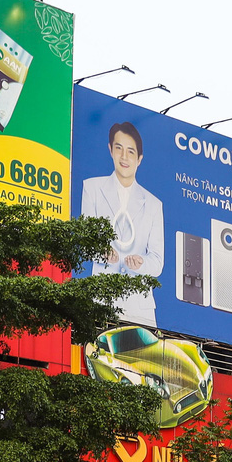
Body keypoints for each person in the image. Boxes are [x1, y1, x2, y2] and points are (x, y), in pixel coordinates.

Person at [79, 121, 165, 325]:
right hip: (102, 301)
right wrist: (102, 252)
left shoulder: (153, 204)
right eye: (119, 149)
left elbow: (157, 261)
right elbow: (85, 243)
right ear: (110, 150)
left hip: (139, 308)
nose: (124, 157)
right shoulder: (92, 188)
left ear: (139, 159)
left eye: (131, 152)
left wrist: (141, 263)